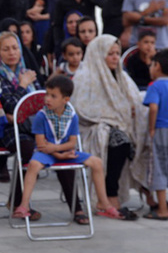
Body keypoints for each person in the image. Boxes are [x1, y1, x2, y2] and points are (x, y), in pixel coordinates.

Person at [0, 31, 86, 222]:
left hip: (37, 125)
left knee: (61, 149)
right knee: (30, 151)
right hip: (11, 130)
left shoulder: (28, 72)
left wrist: (22, 102)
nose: (12, 52)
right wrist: (22, 86)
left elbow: (43, 103)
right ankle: (21, 204)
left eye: (15, 48)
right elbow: (10, 107)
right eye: (6, 49)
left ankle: (76, 207)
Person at [14, 75, 124, 219]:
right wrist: (59, 154)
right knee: (33, 165)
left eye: (53, 96)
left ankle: (103, 203)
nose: (47, 99)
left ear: (65, 100)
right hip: (46, 153)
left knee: (97, 162)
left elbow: (72, 143)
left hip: (65, 151)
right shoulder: (41, 116)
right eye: (47, 94)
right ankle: (24, 205)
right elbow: (41, 145)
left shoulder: (72, 116)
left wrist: (57, 150)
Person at [71, 35, 150, 218]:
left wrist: (131, 110)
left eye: (117, 53)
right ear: (99, 54)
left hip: (119, 125)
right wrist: (111, 117)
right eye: (110, 54)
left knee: (142, 140)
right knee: (120, 141)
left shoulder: (121, 76)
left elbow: (134, 100)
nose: (115, 58)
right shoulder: (84, 77)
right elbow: (82, 110)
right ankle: (109, 196)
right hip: (91, 128)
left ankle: (152, 197)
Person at [143, 49, 168, 219]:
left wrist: (151, 128)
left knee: (158, 166)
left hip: (160, 130)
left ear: (157, 66)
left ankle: (162, 209)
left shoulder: (156, 86)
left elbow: (153, 107)